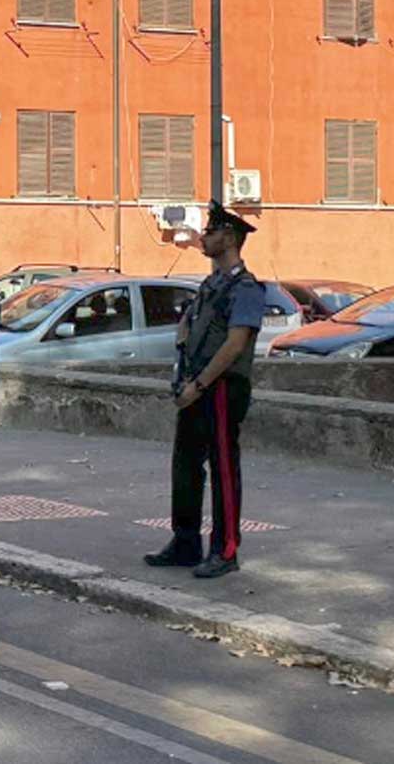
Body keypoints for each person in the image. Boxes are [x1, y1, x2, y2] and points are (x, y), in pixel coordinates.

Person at [144, 200, 265, 579]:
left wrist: (199, 384)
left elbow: (235, 343)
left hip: (221, 388)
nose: (203, 237)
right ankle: (185, 541)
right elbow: (187, 329)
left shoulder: (245, 288)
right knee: (185, 465)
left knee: (224, 468)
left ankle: (225, 549)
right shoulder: (211, 286)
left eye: (211, 232)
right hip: (195, 386)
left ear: (228, 237)